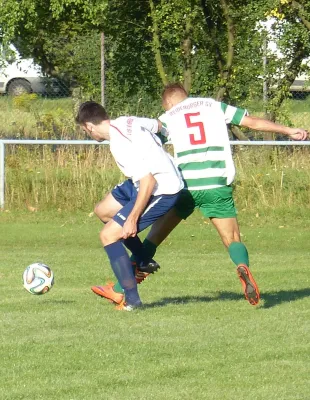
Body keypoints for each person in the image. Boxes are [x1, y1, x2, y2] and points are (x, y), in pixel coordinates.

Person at [93, 84, 308, 307]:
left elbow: (152, 143)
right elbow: (252, 122)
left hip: (184, 185)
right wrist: (288, 131)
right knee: (232, 238)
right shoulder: (214, 106)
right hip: (215, 182)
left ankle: (120, 289)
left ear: (169, 103)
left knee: (153, 238)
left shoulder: (168, 117)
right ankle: (242, 267)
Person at [75, 101, 184, 311]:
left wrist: (132, 218)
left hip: (162, 189)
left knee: (109, 235)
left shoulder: (119, 145)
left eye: (84, 130)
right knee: (103, 211)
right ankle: (143, 259)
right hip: (140, 183)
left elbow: (149, 182)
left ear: (89, 126)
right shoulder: (125, 121)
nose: (87, 134)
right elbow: (158, 126)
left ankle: (132, 300)